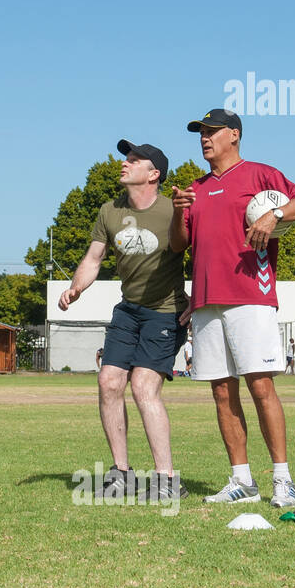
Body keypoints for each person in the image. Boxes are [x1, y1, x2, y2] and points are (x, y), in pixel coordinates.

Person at [169, 109, 295, 507]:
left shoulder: (260, 174)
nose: (204, 138)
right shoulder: (194, 188)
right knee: (221, 391)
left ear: (233, 135)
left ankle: (283, 481)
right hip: (205, 301)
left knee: (260, 385)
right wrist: (175, 210)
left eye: (211, 132)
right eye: (200, 132)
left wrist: (275, 214)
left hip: (250, 295)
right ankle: (242, 481)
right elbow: (179, 245)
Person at [59, 139, 188, 502]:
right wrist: (76, 288)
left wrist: (199, 299)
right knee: (109, 382)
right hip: (128, 309)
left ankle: (165, 478)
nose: (125, 163)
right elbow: (94, 258)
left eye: (134, 159)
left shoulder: (172, 210)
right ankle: (121, 475)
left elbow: (201, 253)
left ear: (154, 174)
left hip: (165, 310)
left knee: (144, 386)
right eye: (125, 158)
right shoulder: (109, 210)